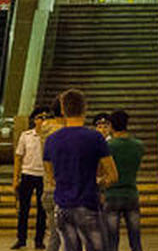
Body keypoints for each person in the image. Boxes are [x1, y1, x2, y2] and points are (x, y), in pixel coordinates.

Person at [43, 89, 117, 251]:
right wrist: (98, 184)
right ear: (85, 109)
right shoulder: (96, 138)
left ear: (63, 110)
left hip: (62, 207)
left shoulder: (51, 140)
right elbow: (112, 175)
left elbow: (50, 177)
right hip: (87, 204)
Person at [103, 110, 144, 251]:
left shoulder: (107, 146)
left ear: (111, 126)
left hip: (111, 195)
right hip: (131, 194)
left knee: (111, 240)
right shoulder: (138, 145)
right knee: (135, 238)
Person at [11, 106, 50, 249]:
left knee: (42, 210)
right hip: (27, 174)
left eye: (46, 118)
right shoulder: (26, 135)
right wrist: (15, 178)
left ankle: (39, 240)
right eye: (40, 118)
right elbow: (18, 157)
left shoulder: (50, 136)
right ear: (35, 120)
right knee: (24, 209)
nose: (43, 121)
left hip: (43, 176)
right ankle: (21, 239)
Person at [40, 101, 63, 251]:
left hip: (48, 187)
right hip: (64, 189)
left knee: (54, 234)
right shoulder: (64, 131)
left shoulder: (44, 128)